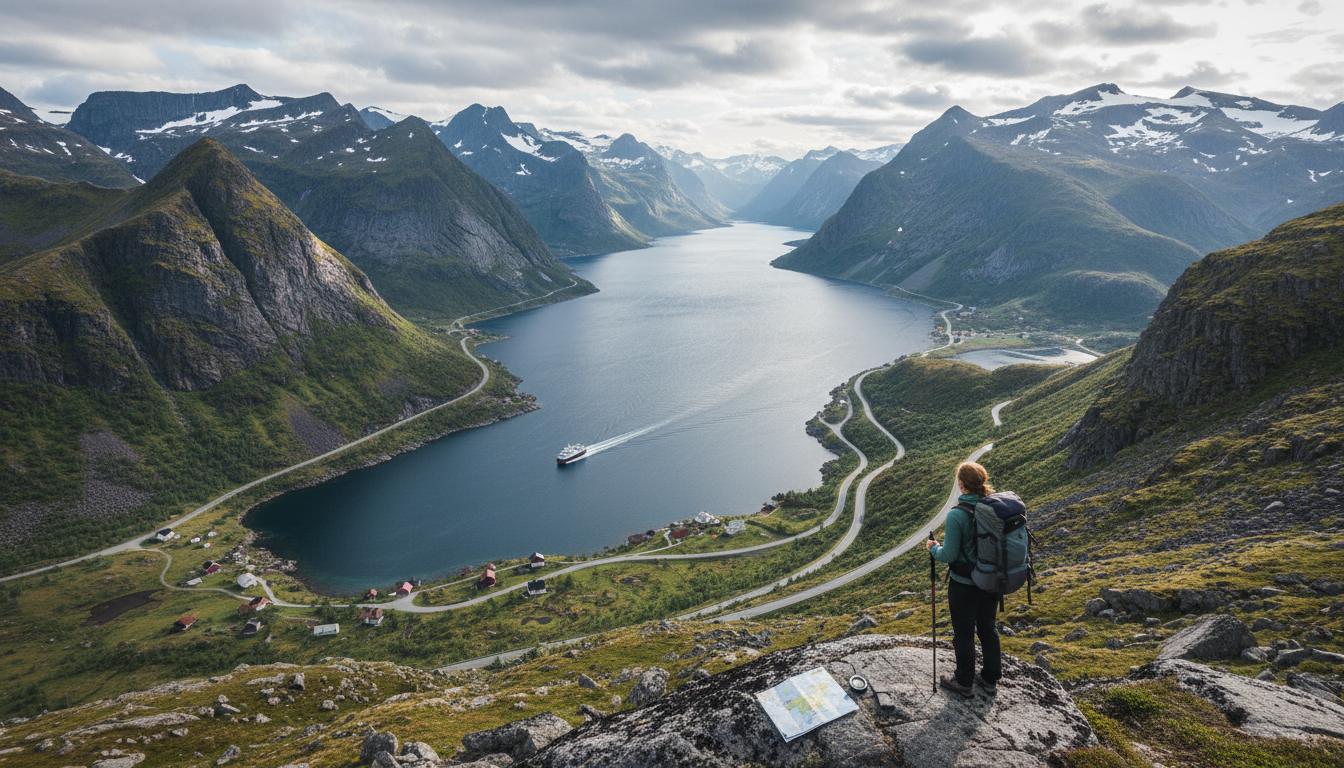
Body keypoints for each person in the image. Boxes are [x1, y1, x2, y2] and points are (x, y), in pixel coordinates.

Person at [924, 461, 1001, 696]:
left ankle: (964, 682)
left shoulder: (957, 515)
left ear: (962, 485)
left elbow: (949, 555)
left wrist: (933, 548)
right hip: (991, 580)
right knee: (988, 628)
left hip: (964, 584)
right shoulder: (995, 507)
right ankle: (990, 679)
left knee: (964, 632)